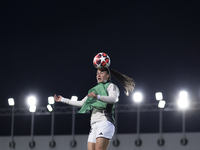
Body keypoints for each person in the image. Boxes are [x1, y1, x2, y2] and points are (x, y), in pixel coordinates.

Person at [54, 66, 135, 150]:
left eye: (101, 73)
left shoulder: (111, 86)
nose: (98, 75)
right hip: (94, 125)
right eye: (97, 73)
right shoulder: (93, 90)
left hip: (105, 123)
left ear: (108, 75)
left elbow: (113, 99)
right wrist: (63, 99)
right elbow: (82, 103)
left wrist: (98, 97)